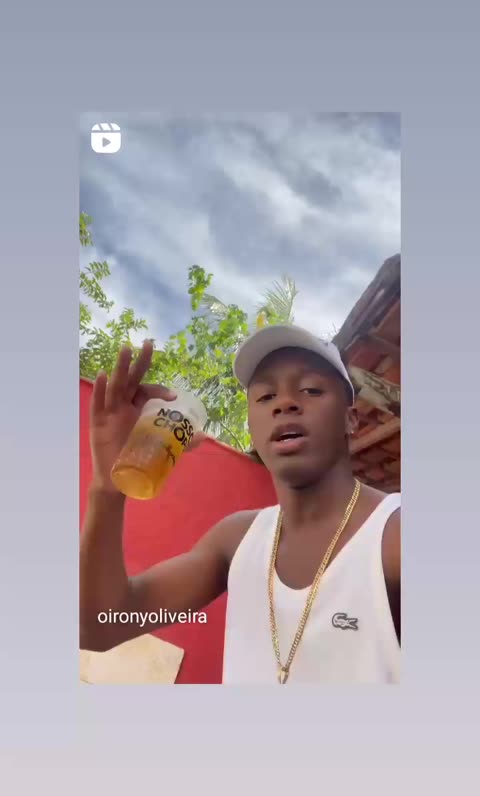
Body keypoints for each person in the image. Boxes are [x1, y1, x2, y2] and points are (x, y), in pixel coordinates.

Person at [80, 324, 400, 684]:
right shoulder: (236, 539)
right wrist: (107, 489)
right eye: (265, 397)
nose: (284, 403)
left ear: (350, 418)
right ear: (252, 427)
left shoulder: (395, 535)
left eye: (311, 389)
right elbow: (100, 627)